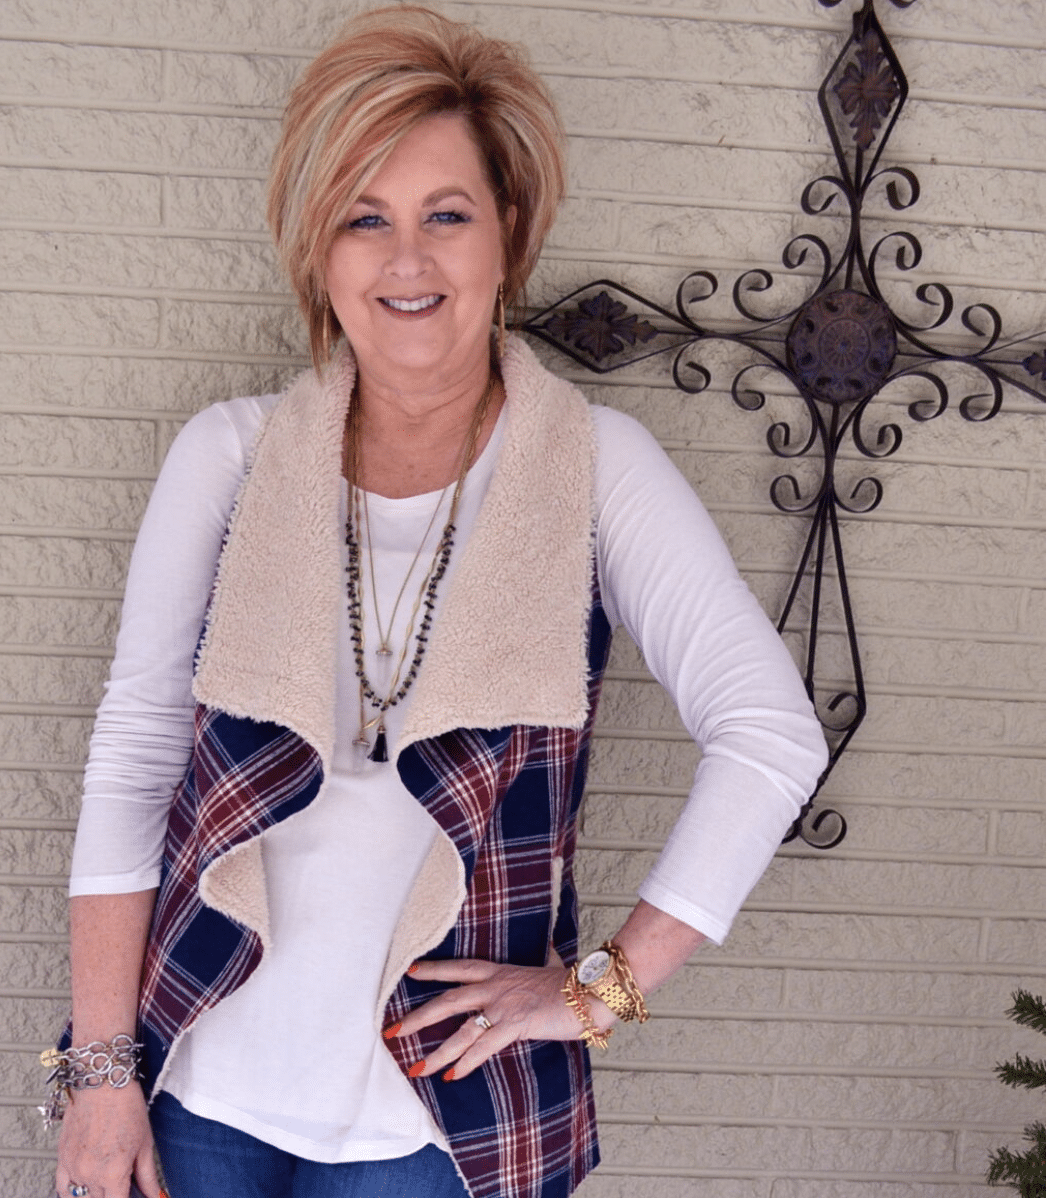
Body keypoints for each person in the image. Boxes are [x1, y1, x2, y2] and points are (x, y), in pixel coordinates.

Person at [47, 7, 828, 1198]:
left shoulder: (594, 471)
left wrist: (603, 987)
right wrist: (99, 1073)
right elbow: (136, 753)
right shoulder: (231, 458)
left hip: (437, 1123)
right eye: (365, 218)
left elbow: (770, 734)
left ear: (507, 236)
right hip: (197, 1087)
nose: (405, 260)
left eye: (444, 215)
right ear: (320, 251)